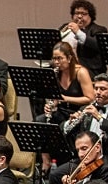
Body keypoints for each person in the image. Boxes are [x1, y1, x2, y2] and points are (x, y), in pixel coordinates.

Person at [37, 42, 94, 172]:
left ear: (69, 58)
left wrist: (64, 99)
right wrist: (51, 106)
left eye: (59, 58)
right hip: (63, 111)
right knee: (41, 121)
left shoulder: (81, 72)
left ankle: (67, 161)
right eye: (54, 58)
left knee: (64, 127)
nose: (56, 62)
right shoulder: (56, 74)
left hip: (80, 112)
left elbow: (90, 98)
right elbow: (55, 98)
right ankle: (46, 161)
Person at [62, 73, 108, 181]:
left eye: (102, 89)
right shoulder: (86, 109)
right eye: (96, 88)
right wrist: (70, 123)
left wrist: (99, 117)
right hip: (84, 161)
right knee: (55, 175)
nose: (98, 92)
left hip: (107, 161)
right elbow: (68, 133)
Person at [60, 0, 107, 76]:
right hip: (66, 70)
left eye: (83, 14)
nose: (79, 16)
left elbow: (97, 45)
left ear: (91, 16)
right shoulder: (65, 27)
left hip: (90, 71)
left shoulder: (98, 29)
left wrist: (78, 32)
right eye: (76, 13)